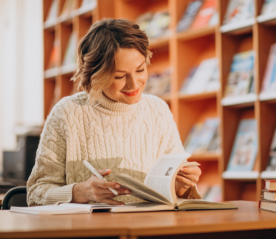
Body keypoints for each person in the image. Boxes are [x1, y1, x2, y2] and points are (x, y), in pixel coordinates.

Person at [27, 18, 201, 206]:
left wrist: (183, 185)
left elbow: (174, 190)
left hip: (150, 228)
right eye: (119, 76)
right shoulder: (67, 113)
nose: (134, 84)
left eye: (140, 70)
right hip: (93, 232)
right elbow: (36, 194)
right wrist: (80, 191)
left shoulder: (158, 110)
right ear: (96, 73)